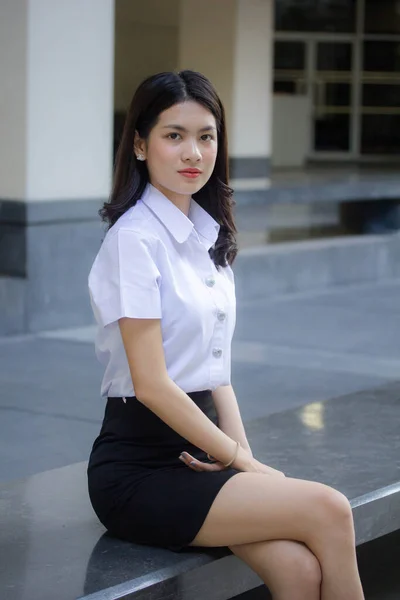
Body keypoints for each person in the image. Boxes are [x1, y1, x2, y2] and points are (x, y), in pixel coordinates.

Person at [87, 70, 365, 600]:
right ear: (141, 145)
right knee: (331, 508)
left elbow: (217, 374)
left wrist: (241, 454)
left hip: (207, 450)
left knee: (300, 571)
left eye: (206, 136)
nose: (193, 151)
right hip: (140, 468)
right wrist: (244, 463)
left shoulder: (207, 236)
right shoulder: (134, 241)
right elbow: (150, 385)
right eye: (174, 135)